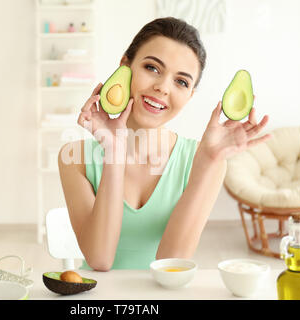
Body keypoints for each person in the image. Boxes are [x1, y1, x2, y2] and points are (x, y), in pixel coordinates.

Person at [58, 17, 270, 271]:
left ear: (190, 95)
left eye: (181, 82)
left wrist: (207, 162)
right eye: (152, 68)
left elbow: (171, 263)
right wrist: (113, 150)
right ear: (125, 64)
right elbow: (100, 259)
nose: (162, 88)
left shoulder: (205, 159)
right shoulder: (75, 158)